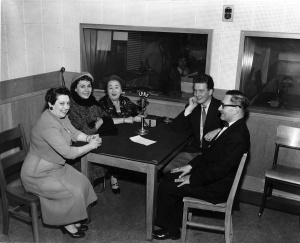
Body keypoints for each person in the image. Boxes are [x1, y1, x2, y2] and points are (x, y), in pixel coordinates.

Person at [153, 90, 251, 240]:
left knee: (167, 187)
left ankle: (170, 229)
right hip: (213, 177)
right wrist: (190, 166)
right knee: (171, 175)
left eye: (223, 105)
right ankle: (175, 222)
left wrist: (192, 179)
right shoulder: (231, 127)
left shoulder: (237, 136)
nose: (219, 108)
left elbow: (218, 170)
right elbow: (209, 154)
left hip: (218, 186)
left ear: (237, 109)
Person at [21, 86, 100, 238]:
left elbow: (74, 133)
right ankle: (67, 223)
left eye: (68, 103)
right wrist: (90, 146)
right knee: (70, 191)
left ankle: (74, 217)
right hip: (37, 174)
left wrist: (88, 138)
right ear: (51, 104)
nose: (66, 108)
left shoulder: (60, 116)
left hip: (56, 167)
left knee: (82, 181)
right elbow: (69, 153)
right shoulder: (47, 125)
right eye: (62, 104)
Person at [68, 72, 117, 193]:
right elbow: (80, 133)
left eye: (89, 86)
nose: (86, 90)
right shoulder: (70, 106)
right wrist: (99, 123)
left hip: (96, 143)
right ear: (75, 88)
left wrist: (97, 123)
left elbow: (107, 118)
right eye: (82, 86)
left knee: (117, 148)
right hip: (77, 152)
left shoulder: (92, 102)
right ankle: (85, 193)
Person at [163, 74, 222, 174]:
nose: (197, 94)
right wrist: (189, 108)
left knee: (197, 175)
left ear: (210, 91)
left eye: (201, 91)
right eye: (195, 90)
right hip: (193, 151)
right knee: (167, 169)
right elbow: (177, 127)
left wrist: (219, 130)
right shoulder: (193, 106)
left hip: (212, 155)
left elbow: (233, 128)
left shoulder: (221, 108)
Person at [98, 75, 142, 193]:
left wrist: (140, 114)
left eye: (116, 87)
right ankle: (114, 176)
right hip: (108, 136)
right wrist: (125, 120)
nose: (113, 90)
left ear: (121, 90)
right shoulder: (101, 103)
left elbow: (138, 111)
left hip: (124, 135)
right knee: (118, 147)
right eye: (110, 88)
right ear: (107, 91)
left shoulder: (125, 101)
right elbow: (104, 122)